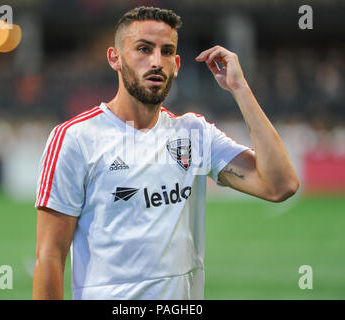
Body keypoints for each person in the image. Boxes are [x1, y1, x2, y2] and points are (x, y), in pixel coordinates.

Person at [32, 6, 299, 300]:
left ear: (177, 63)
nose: (156, 62)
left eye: (167, 51)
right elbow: (50, 257)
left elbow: (281, 185)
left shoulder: (193, 134)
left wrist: (240, 88)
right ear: (115, 58)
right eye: (143, 49)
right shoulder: (75, 138)